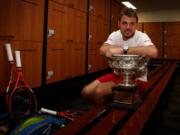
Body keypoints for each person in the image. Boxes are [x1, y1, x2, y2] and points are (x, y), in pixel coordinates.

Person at [81, 7, 158, 103]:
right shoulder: (115, 35)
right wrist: (110, 49)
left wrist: (124, 49)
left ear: (136, 25)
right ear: (119, 24)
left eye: (132, 24)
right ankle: (111, 103)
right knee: (86, 91)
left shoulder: (141, 36)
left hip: (137, 79)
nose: (128, 27)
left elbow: (153, 52)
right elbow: (102, 50)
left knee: (98, 91)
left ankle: (108, 114)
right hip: (117, 75)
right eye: (124, 23)